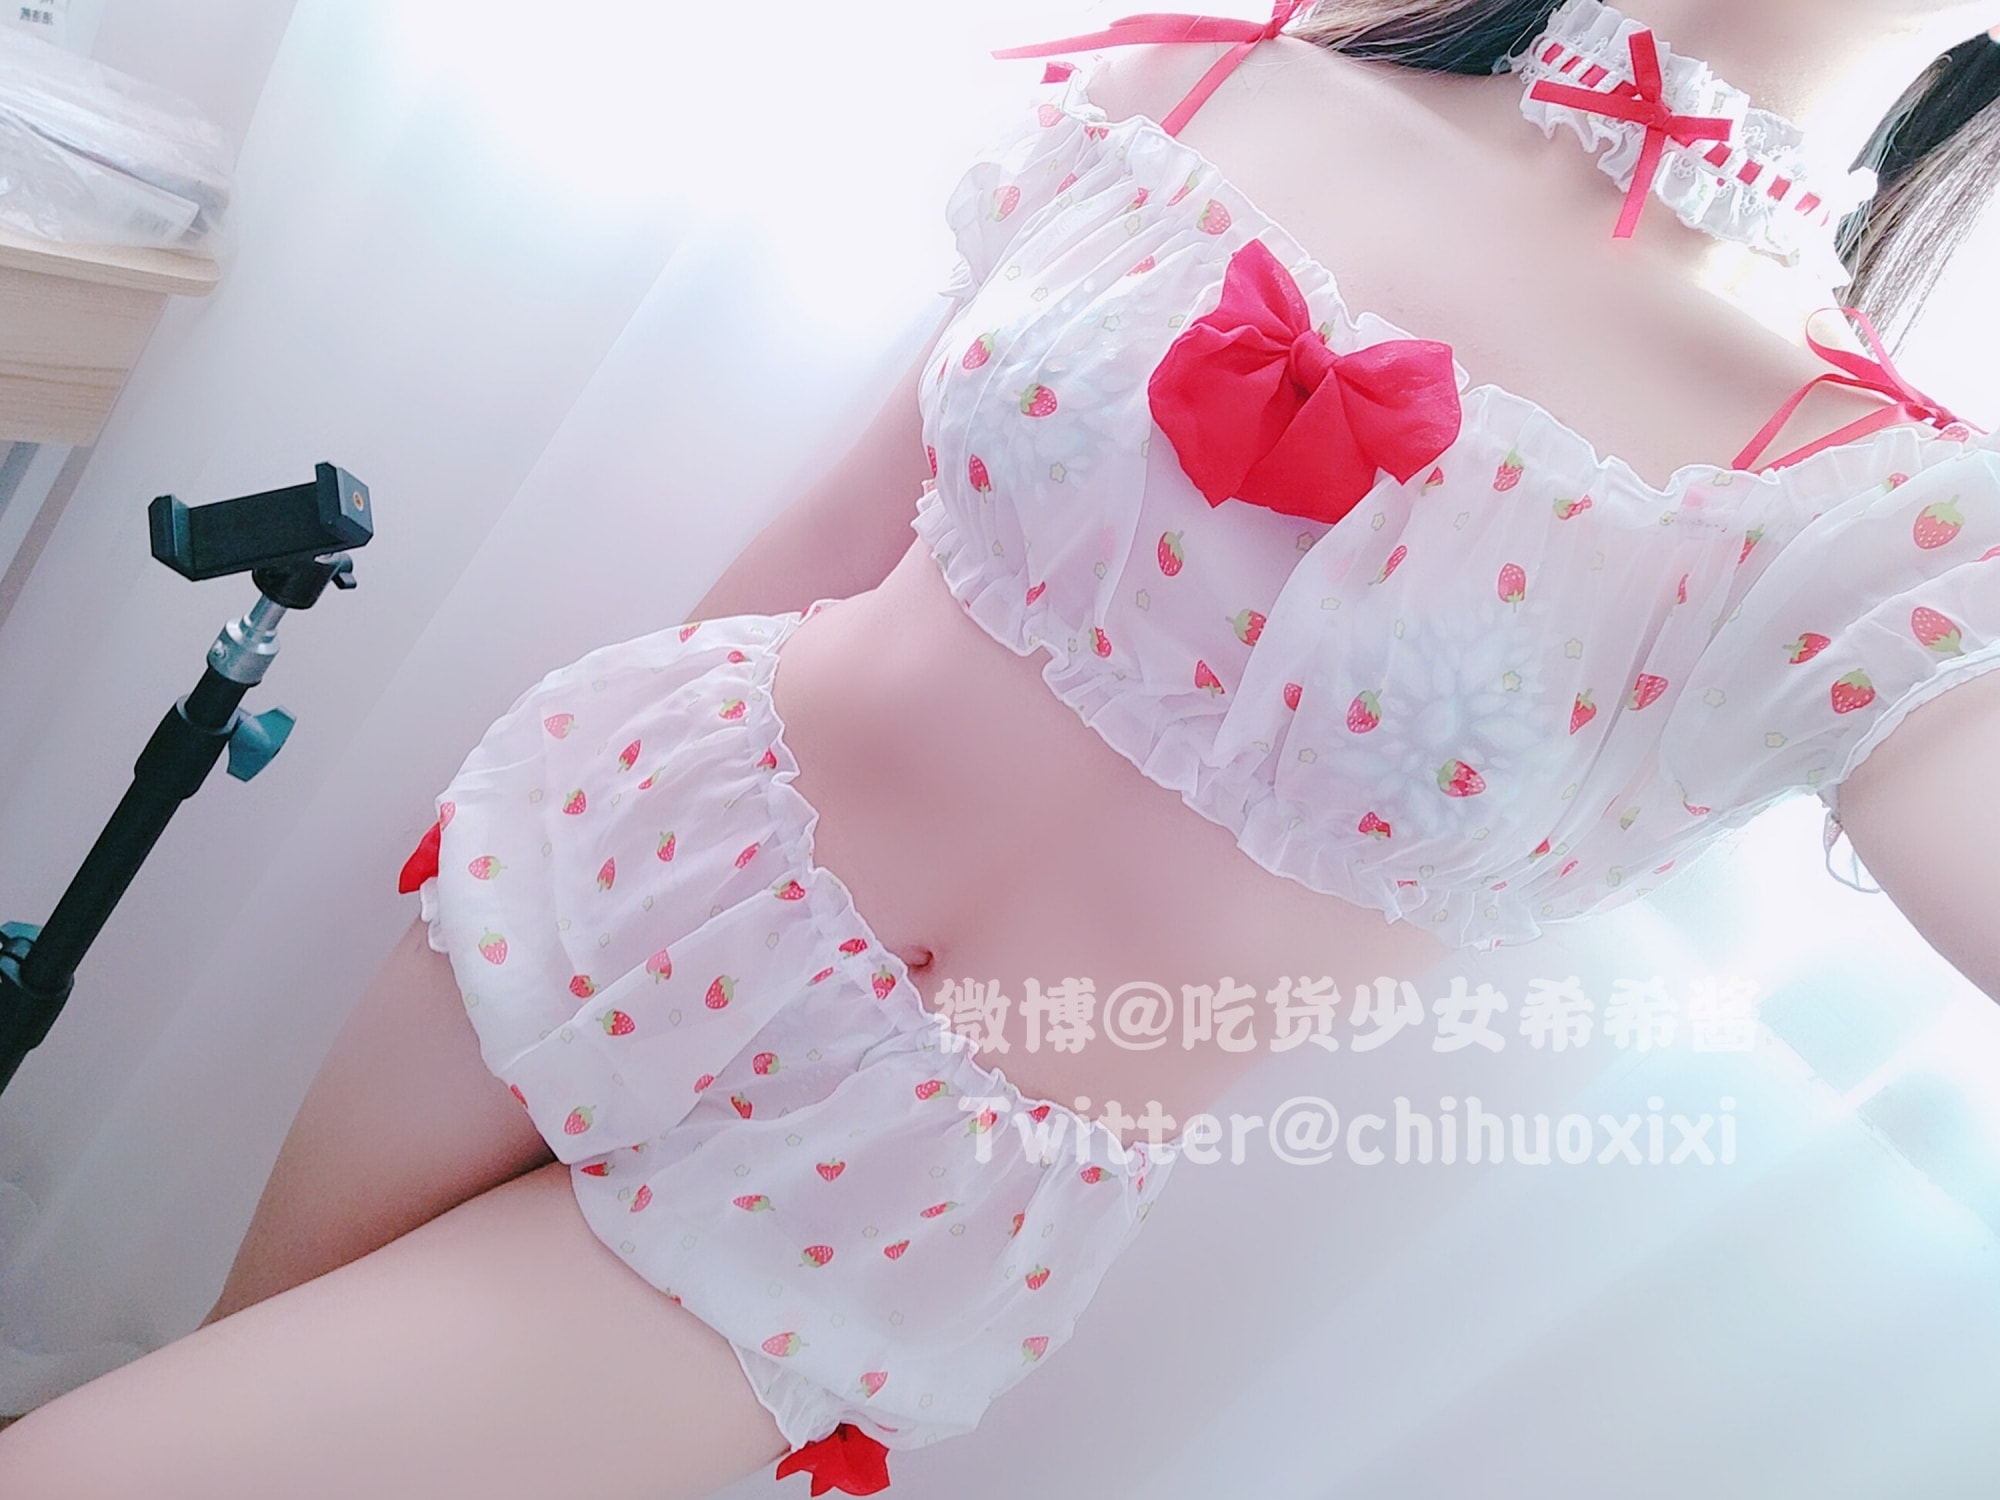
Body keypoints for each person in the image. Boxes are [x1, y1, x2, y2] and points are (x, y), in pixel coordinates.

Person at [2, 1, 1997, 1495]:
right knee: (215, 1367)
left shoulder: (1864, 526)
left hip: (879, 1179)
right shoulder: (1227, 85)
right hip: (634, 845)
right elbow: (838, 530)